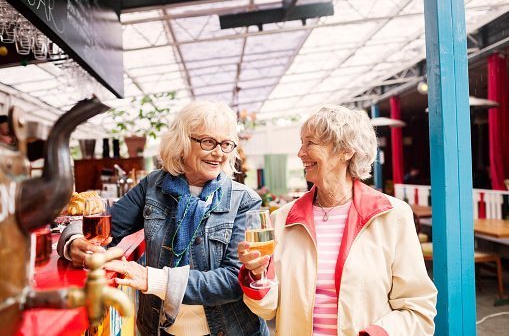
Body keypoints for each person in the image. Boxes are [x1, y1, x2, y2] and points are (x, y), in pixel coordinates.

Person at [58, 100, 269, 336]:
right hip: (160, 330)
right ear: (181, 142)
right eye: (208, 142)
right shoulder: (153, 186)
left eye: (226, 144)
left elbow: (233, 279)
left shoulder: (244, 200)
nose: (219, 152)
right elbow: (104, 225)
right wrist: (74, 240)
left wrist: (153, 279)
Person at [238, 105, 437, 335]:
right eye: (301, 143)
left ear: (346, 150)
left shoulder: (393, 216)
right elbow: (267, 309)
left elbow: (418, 309)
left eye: (310, 143)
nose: (300, 153)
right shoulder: (281, 219)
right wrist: (257, 274)